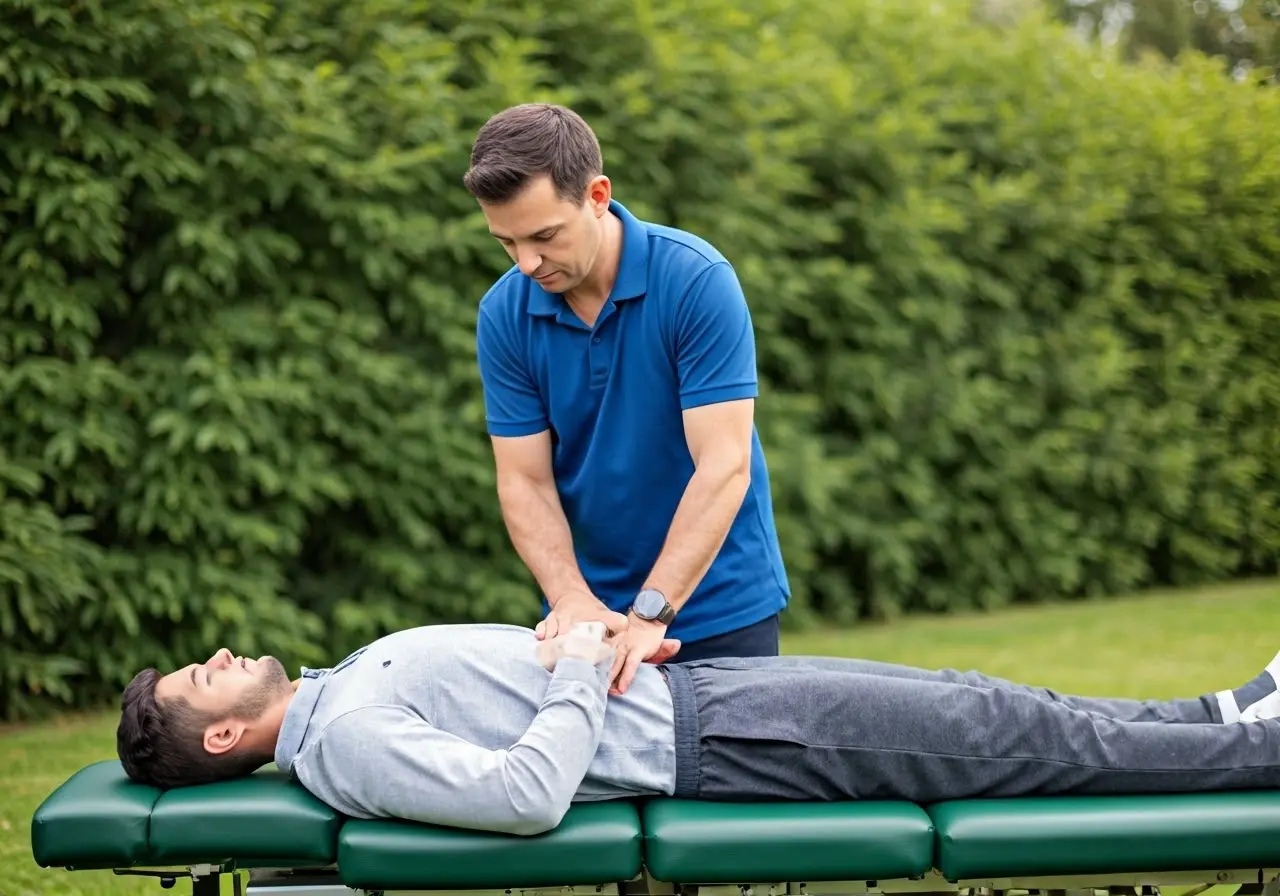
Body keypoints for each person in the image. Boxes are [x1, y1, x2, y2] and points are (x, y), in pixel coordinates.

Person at [116, 622, 1280, 838]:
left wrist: (582, 643)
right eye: (199, 680)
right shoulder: (348, 737)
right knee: (994, 731)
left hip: (699, 697)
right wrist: (576, 671)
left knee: (992, 705)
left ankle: (1226, 713)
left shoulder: (334, 693)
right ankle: (1254, 753)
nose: (217, 657)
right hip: (721, 742)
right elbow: (521, 796)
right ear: (222, 739)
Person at [462, 102, 790, 692]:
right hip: (590, 624)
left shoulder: (695, 280)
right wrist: (572, 599)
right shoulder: (505, 314)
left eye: (544, 236)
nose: (527, 262)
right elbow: (525, 481)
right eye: (506, 242)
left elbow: (724, 466)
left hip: (722, 608)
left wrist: (651, 614)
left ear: (597, 195)